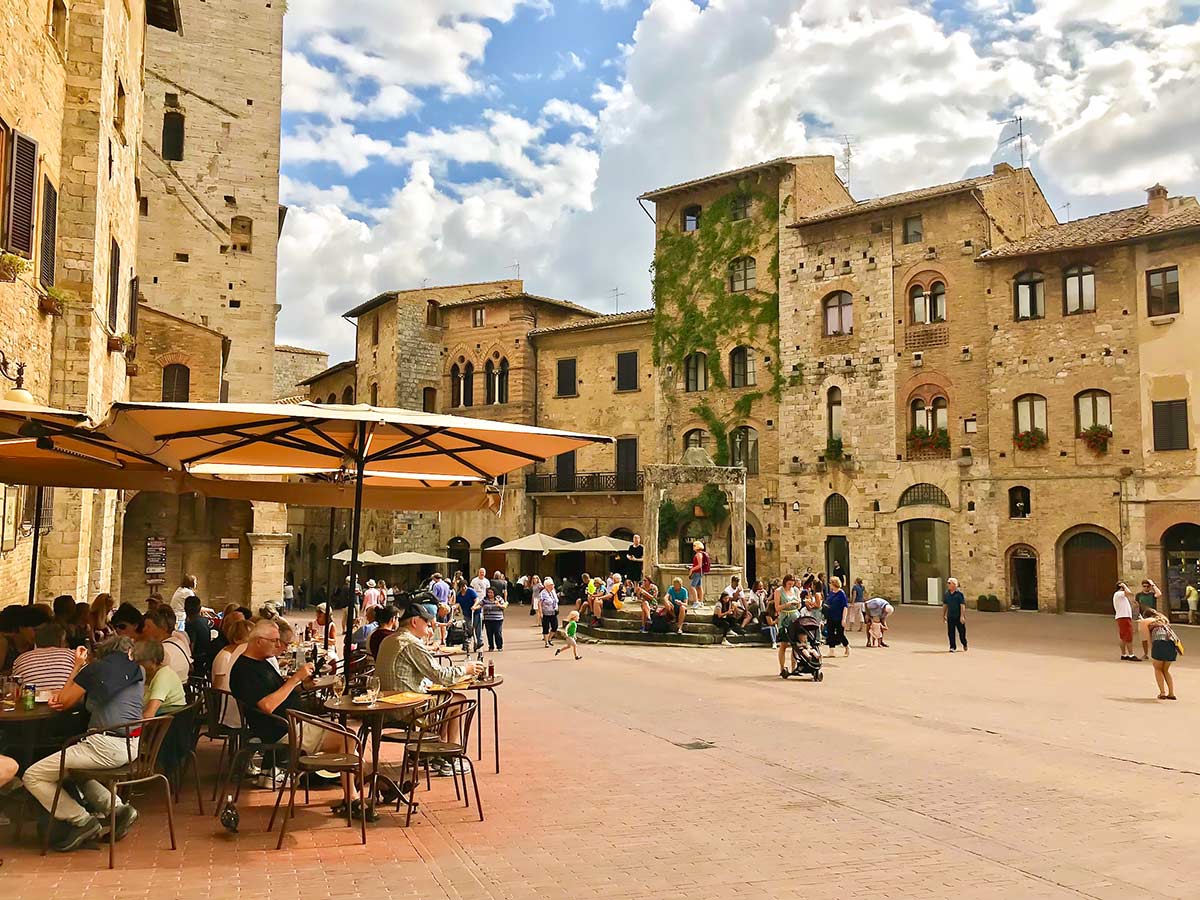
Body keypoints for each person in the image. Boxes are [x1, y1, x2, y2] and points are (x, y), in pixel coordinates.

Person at [25, 636, 144, 852]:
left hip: (103, 746)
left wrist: (78, 666)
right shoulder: (137, 671)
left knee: (33, 776)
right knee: (75, 770)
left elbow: (63, 700)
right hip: (131, 746)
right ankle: (116, 808)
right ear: (128, 652)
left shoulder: (96, 670)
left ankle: (81, 820)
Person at [375, 604, 484, 773]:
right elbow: (440, 675)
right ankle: (449, 755)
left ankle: (436, 751)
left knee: (446, 699)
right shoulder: (410, 643)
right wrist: (466, 669)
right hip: (405, 707)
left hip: (386, 703)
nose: (429, 628)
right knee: (459, 701)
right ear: (414, 622)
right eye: (426, 624)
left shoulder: (390, 639)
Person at [228, 620, 343, 758]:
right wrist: (295, 678)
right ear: (259, 641)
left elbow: (280, 692)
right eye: (274, 640)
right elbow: (267, 706)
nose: (278, 645)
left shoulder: (262, 661)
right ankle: (347, 776)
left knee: (345, 741)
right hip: (282, 729)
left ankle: (327, 775)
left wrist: (303, 685)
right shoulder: (244, 670)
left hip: (294, 722)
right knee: (347, 740)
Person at [211, 618, 253, 728]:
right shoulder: (226, 656)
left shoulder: (237, 654)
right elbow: (217, 687)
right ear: (237, 639)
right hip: (229, 704)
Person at [12, 623, 77, 691]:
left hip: (30, 699)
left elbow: (15, 688)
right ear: (60, 640)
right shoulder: (74, 655)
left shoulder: (20, 659)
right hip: (66, 700)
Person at [134, 640, 186, 716]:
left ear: (153, 661)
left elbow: (149, 714)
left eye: (140, 661)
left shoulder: (163, 676)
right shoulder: (150, 674)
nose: (137, 665)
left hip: (167, 723)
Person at [139, 605, 193, 678]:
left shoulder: (163, 651)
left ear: (163, 628)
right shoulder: (177, 641)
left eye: (148, 626)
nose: (144, 630)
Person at [1142, 607, 1180, 700]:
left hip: (1159, 642)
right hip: (1172, 643)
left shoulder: (1146, 621)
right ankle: (1171, 693)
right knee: (1166, 670)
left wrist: (1151, 649)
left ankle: (1162, 693)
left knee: (1158, 668)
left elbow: (1147, 637)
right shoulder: (1164, 619)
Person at [775, 575, 803, 675]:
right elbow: (777, 608)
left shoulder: (795, 590)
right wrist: (786, 604)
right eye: (789, 584)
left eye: (792, 584)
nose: (791, 585)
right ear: (785, 582)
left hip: (795, 615)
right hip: (785, 617)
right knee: (784, 644)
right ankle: (782, 668)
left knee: (795, 644)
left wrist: (797, 603)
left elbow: (799, 604)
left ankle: (794, 667)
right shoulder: (779, 591)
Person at [183, 595, 212, 674]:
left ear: (185, 609)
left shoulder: (191, 624)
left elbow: (191, 646)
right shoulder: (205, 621)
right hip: (206, 659)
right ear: (199, 609)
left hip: (197, 661)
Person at [1135, 579, 1163, 659]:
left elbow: (1159, 594)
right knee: (1143, 637)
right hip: (1142, 618)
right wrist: (1137, 616)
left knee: (1154, 637)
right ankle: (1145, 654)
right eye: (1144, 586)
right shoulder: (1138, 595)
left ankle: (1156, 653)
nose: (1146, 588)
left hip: (1153, 618)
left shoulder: (1152, 595)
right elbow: (1136, 606)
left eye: (1148, 586)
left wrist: (1153, 584)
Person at [825, 576, 851, 656]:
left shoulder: (841, 593)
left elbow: (845, 607)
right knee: (830, 633)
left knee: (840, 634)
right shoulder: (831, 593)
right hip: (830, 616)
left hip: (838, 617)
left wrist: (844, 619)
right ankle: (831, 651)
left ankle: (847, 646)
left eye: (830, 583)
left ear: (834, 583)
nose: (829, 584)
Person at [1112, 581, 1138, 661]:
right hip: (1124, 617)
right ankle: (1131, 655)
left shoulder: (1120, 596)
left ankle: (1124, 654)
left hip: (1123, 617)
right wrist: (1123, 585)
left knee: (1123, 636)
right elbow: (1129, 593)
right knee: (1128, 636)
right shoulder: (1119, 594)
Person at [455, 577, 481, 652]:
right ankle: (467, 643)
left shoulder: (470, 591)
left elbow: (477, 599)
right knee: (468, 628)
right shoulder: (459, 595)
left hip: (475, 612)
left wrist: (474, 606)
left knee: (476, 627)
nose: (464, 587)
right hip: (466, 613)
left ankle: (479, 642)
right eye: (463, 586)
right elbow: (458, 603)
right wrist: (455, 607)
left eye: (465, 585)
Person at [478, 586, 506, 652]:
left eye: (491, 593)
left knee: (498, 633)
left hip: (498, 619)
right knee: (489, 633)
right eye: (489, 592)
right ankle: (491, 646)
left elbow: (504, 606)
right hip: (488, 619)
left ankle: (499, 646)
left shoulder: (498, 598)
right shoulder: (485, 599)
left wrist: (498, 605)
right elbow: (480, 605)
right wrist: (474, 607)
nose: (490, 594)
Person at [943, 577, 967, 652]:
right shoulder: (947, 594)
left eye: (949, 583)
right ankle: (952, 646)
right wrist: (944, 614)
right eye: (948, 583)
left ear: (954, 584)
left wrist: (962, 616)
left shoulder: (959, 594)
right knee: (951, 632)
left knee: (962, 632)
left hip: (958, 616)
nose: (948, 585)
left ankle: (964, 643)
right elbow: (945, 604)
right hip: (950, 616)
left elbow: (962, 605)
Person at [539, 578, 560, 648]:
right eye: (551, 585)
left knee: (555, 626)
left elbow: (556, 601)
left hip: (553, 612)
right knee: (546, 627)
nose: (553, 586)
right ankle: (546, 642)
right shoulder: (543, 593)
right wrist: (540, 613)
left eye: (553, 585)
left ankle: (549, 638)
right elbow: (539, 603)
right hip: (546, 612)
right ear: (546, 585)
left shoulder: (553, 592)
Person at [688, 540, 709, 607]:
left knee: (692, 587)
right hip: (699, 572)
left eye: (694, 546)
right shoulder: (699, 554)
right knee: (699, 587)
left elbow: (699, 565)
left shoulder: (698, 554)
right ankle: (701, 602)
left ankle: (696, 601)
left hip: (697, 572)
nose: (693, 547)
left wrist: (692, 569)